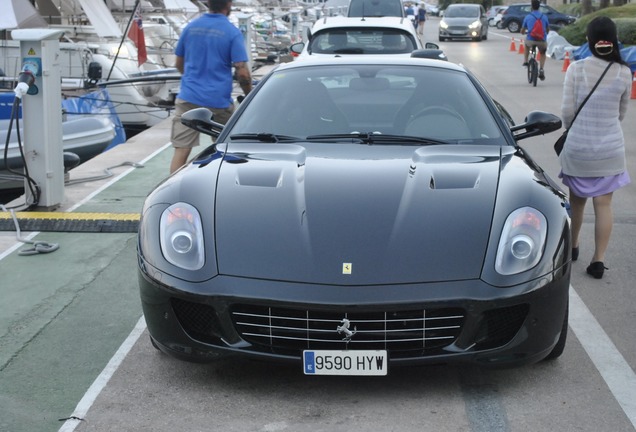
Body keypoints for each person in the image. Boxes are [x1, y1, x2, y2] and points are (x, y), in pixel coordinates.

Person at [559, 16, 632, 279]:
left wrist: (577, 128)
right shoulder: (624, 72)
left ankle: (574, 247)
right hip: (609, 150)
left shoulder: (575, 70)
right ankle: (598, 261)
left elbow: (567, 112)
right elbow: (621, 114)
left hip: (579, 149)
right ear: (614, 40)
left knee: (576, 203)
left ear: (588, 40)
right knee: (604, 205)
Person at [170, 0, 252, 174]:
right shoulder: (231, 32)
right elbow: (242, 72)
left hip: (188, 98)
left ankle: (172, 190)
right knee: (227, 148)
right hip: (218, 102)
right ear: (228, 4)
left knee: (182, 149)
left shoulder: (190, 27)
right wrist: (249, 94)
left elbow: (179, 63)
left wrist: (193, 79)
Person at [520, 0, 549, 80]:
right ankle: (542, 69)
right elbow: (547, 29)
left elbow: (522, 30)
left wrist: (523, 32)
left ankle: (525, 61)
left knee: (526, 46)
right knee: (543, 53)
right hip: (542, 40)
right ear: (539, 6)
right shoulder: (544, 17)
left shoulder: (528, 16)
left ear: (531, 7)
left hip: (531, 40)